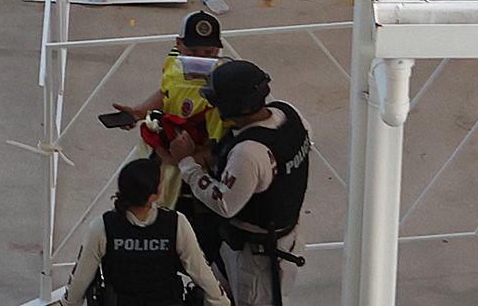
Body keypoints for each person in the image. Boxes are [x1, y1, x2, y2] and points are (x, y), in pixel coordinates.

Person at [167, 60, 310, 306]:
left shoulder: (249, 153)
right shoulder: (289, 115)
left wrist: (187, 165)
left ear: (235, 107)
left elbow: (224, 203)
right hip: (278, 237)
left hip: (256, 259)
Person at [63, 157, 231, 306]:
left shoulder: (103, 225)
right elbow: (201, 271)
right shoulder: (175, 222)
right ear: (154, 195)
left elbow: (80, 279)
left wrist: (68, 303)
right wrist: (220, 301)